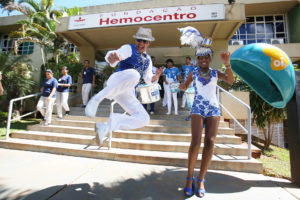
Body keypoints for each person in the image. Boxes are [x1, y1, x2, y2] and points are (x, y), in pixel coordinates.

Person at [85, 27, 162, 145]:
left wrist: (156, 77)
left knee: (144, 118)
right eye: (139, 40)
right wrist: (113, 56)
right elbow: (118, 54)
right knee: (134, 74)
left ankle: (106, 127)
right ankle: (96, 99)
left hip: (127, 91)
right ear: (135, 40)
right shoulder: (129, 48)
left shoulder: (148, 60)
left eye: (144, 41)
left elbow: (148, 79)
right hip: (117, 80)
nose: (141, 43)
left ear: (149, 43)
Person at [180, 49, 234, 198]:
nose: (203, 60)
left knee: (210, 142)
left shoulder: (216, 73)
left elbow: (230, 81)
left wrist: (227, 65)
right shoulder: (194, 73)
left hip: (213, 107)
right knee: (195, 141)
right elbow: (185, 85)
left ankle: (201, 179)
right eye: (200, 58)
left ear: (210, 59)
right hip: (198, 106)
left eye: (206, 58)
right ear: (197, 60)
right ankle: (189, 178)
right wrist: (182, 86)